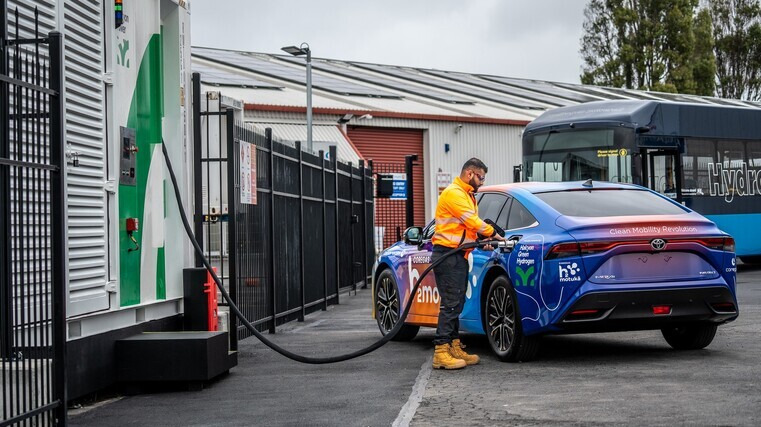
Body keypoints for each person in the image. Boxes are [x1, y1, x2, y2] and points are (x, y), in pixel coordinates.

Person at [430, 158, 505, 369]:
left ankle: (453, 345)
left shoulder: (467, 195)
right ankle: (441, 352)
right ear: (470, 174)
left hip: (458, 255)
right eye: (480, 177)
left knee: (457, 303)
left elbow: (466, 230)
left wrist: (483, 242)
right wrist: (493, 234)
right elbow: (472, 222)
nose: (482, 181)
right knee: (451, 304)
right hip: (447, 255)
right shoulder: (454, 193)